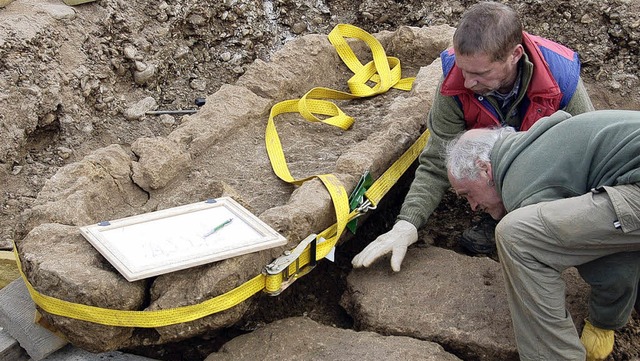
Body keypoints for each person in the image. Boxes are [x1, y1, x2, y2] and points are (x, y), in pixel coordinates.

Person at [351, 1, 639, 359]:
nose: (467, 82)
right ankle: (508, 207)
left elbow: (590, 188)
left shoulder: (560, 76)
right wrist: (407, 224)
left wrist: (604, 319)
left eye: (480, 74)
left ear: (515, 55)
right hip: (518, 174)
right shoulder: (456, 83)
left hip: (547, 180)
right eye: (462, 69)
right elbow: (438, 160)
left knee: (521, 236)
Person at [444, 109, 640, 361]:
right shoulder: (536, 146)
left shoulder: (521, 185)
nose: (472, 206)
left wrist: (603, 321)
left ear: (484, 170)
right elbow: (611, 233)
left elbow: (608, 261)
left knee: (517, 236)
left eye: (467, 194)